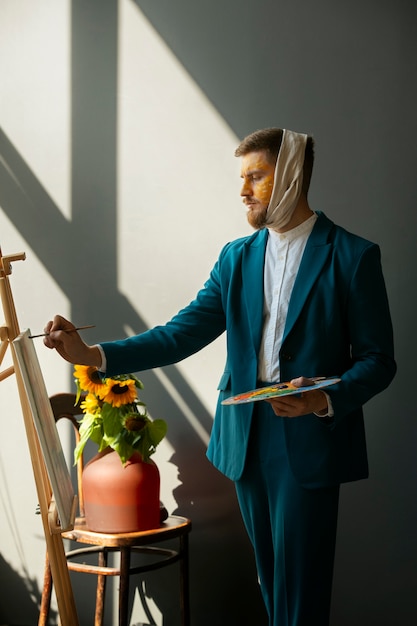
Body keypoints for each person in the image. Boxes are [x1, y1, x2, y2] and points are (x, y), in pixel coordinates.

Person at [44, 128, 396, 626]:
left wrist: (322, 399)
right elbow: (179, 334)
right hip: (247, 437)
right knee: (271, 579)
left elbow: (379, 360)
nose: (243, 190)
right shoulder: (237, 257)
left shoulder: (353, 256)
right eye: (242, 178)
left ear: (291, 175)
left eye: (256, 176)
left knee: (303, 583)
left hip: (312, 436)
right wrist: (93, 354)